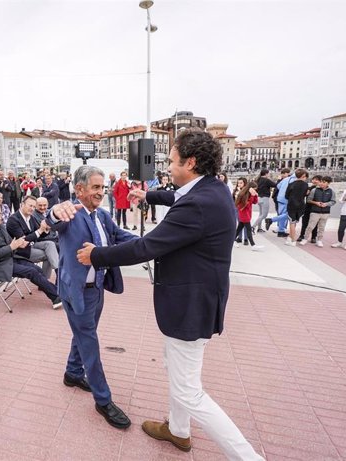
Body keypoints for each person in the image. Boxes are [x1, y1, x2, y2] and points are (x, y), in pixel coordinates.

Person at [76, 129, 264, 459]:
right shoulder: (212, 188)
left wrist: (97, 255)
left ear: (190, 162)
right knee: (177, 369)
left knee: (190, 391)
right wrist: (147, 197)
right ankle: (178, 431)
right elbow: (177, 197)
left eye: (172, 161)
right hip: (197, 301)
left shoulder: (198, 204)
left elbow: (147, 246)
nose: (168, 167)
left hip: (189, 306)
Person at [46, 165, 137, 429]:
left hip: (97, 289)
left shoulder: (103, 215)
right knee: (90, 343)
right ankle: (103, 399)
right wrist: (54, 210)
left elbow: (121, 237)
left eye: (102, 187)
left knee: (84, 333)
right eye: (95, 187)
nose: (101, 192)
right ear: (79, 189)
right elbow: (52, 220)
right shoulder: (71, 214)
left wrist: (155, 243)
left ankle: (73, 373)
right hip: (76, 292)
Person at [0, 204, 62, 309]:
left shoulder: (0, 226)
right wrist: (11, 247)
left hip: (11, 258)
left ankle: (55, 292)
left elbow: (10, 243)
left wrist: (19, 244)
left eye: (0, 213)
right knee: (32, 272)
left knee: (37, 269)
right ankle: (57, 297)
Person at [6, 195, 59, 280]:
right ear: (22, 204)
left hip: (33, 245)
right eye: (30, 206)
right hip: (21, 251)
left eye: (34, 207)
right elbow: (23, 240)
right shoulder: (13, 220)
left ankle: (53, 274)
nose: (32, 209)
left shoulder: (31, 217)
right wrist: (40, 230)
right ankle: (47, 279)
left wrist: (46, 229)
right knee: (49, 255)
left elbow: (39, 234)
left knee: (50, 244)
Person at [299, 175, 336, 248]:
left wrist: (326, 204)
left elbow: (333, 201)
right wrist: (316, 203)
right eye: (321, 182)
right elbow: (309, 200)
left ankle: (319, 240)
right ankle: (305, 239)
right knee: (310, 226)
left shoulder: (331, 191)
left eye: (324, 182)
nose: (321, 183)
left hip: (325, 212)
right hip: (315, 211)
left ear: (328, 183)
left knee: (322, 227)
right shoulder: (314, 190)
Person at [234, 181, 263, 251]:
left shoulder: (249, 193)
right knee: (249, 229)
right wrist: (252, 196)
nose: (255, 190)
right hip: (244, 213)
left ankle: (232, 240)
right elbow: (246, 205)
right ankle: (253, 245)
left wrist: (255, 195)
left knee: (239, 228)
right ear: (250, 188)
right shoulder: (243, 194)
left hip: (247, 213)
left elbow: (255, 202)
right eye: (254, 189)